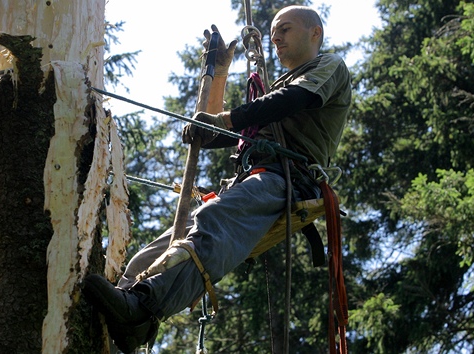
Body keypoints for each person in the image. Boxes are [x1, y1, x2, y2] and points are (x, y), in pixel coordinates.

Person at [83, 5, 352, 353]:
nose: (276, 38)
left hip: (286, 180)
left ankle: (143, 308)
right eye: (273, 33)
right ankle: (120, 315)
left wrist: (225, 120)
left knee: (211, 224)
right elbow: (215, 132)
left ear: (315, 32)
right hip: (254, 181)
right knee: (148, 257)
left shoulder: (327, 67)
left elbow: (290, 101)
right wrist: (219, 74)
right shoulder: (277, 89)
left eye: (285, 29)